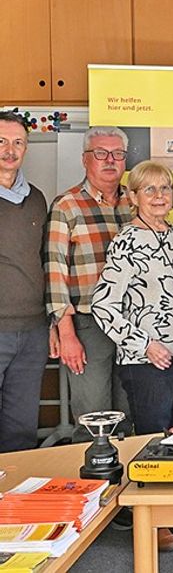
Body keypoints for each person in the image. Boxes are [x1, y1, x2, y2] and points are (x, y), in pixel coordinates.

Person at [90, 161, 173, 553]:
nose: (159, 196)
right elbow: (103, 305)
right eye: (149, 190)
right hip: (147, 359)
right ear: (133, 197)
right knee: (153, 438)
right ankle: (154, 521)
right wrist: (143, 344)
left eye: (165, 188)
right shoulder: (126, 242)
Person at [45, 125, 133, 437]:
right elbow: (55, 271)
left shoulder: (135, 202)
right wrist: (66, 332)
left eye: (117, 154)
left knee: (130, 416)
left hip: (132, 325)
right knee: (94, 420)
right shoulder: (66, 205)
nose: (110, 160)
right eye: (100, 153)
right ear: (85, 159)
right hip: (88, 326)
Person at [0, 111, 48, 453]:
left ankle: (15, 488)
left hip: (32, 331)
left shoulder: (36, 199)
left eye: (18, 142)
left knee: (21, 430)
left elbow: (44, 261)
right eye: (1, 142)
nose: (10, 150)